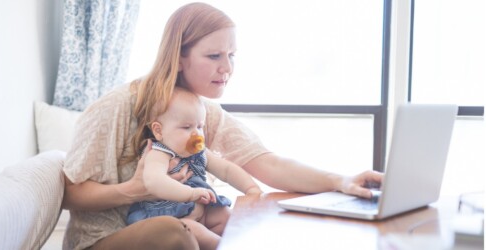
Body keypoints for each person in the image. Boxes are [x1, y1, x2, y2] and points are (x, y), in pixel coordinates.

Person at [62, 2, 384, 250]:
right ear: (179, 57)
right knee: (175, 233)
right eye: (214, 55)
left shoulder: (201, 112)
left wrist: (340, 181)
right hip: (104, 240)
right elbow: (71, 193)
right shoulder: (115, 107)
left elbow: (267, 162)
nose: (227, 67)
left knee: (254, 225)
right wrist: (132, 190)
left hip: (181, 226)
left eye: (232, 55)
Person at [126, 86, 262, 249]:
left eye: (199, 126)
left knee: (230, 218)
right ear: (159, 130)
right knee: (197, 233)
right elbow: (154, 181)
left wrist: (251, 188)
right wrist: (190, 194)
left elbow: (226, 170)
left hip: (204, 210)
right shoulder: (159, 153)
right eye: (186, 127)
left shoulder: (200, 152)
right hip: (175, 219)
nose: (196, 134)